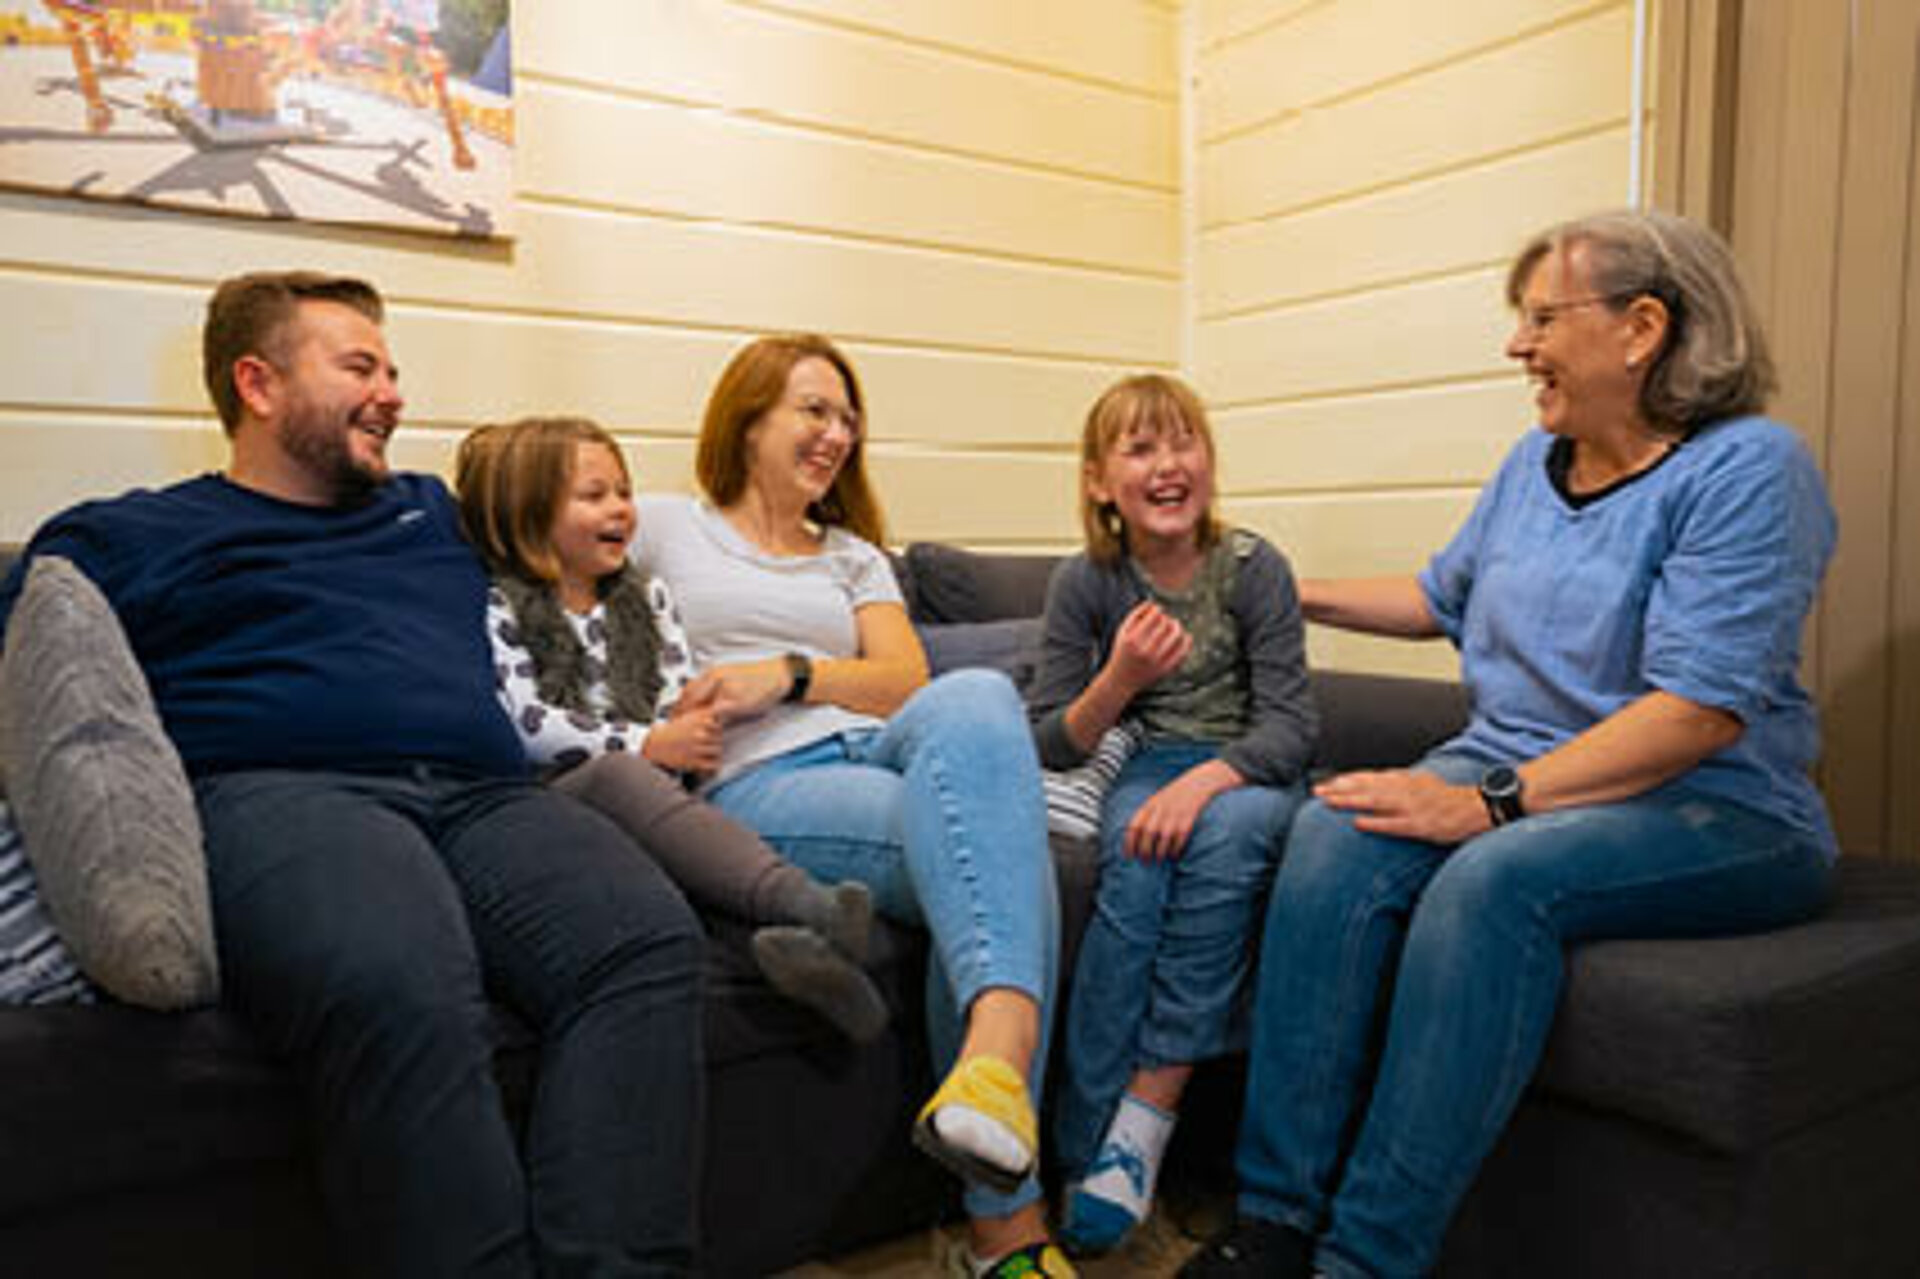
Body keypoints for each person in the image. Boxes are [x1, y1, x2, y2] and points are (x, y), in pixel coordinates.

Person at [0, 273, 705, 1278]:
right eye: (360, 366)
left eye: (394, 369)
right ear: (259, 383)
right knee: (403, 980)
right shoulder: (127, 535)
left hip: (483, 796)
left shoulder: (433, 512)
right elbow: (33, 669)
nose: (393, 393)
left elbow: (586, 551)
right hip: (282, 793)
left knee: (645, 943)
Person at [1181, 208, 1840, 1279]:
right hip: (1524, 768)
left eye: (1541, 319)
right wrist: (1270, 587)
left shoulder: (1750, 470)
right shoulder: (1536, 463)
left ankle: (1367, 1259)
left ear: (1640, 329)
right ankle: (1274, 1221)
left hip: (1716, 802)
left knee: (1493, 884)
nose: (1516, 346)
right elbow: (1441, 595)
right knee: (1331, 831)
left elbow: (1699, 710)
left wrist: (1491, 799)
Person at [633, 334, 1072, 1279]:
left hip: (883, 752)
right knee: (1006, 863)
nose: (836, 433)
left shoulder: (855, 557)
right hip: (759, 786)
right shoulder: (665, 526)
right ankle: (1009, 1233)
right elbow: (562, 599)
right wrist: (647, 732)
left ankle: (994, 1059)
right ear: (747, 421)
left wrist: (785, 674)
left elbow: (906, 679)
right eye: (811, 410)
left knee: (979, 697)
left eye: (846, 416)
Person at [454, 415, 886, 1041]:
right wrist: (647, 744)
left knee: (697, 849)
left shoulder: (646, 597)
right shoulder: (500, 602)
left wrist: (686, 732)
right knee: (619, 777)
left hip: (658, 788)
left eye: (624, 492)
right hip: (554, 799)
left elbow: (678, 687)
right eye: (594, 495)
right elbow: (525, 721)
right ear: (529, 511)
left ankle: (819, 965)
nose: (621, 510)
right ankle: (809, 905)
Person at [1026, 374, 1315, 1253]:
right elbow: (1056, 740)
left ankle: (1145, 1124)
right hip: (1145, 768)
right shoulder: (1088, 582)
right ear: (1097, 481)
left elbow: (1294, 727)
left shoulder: (1255, 568)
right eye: (1140, 448)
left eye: (1183, 442)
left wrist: (1208, 781)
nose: (1167, 464)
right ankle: (1084, 1147)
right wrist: (1119, 679)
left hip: (1247, 775)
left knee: (1218, 839)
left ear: (1210, 462)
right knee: (1133, 875)